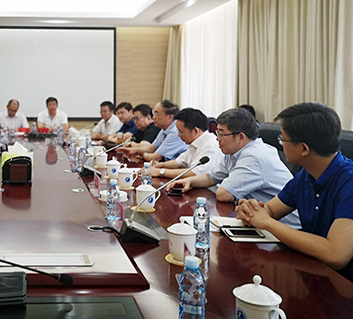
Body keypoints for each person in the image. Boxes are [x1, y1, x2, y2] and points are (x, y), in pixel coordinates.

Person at [236, 103, 353, 281]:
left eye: (283, 139)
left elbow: (336, 255)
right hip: (312, 272)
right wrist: (251, 210)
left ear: (304, 149)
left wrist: (266, 223)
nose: (281, 145)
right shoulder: (305, 176)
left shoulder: (349, 182)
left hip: (343, 284)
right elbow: (270, 210)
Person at [171, 108, 300, 226]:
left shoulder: (253, 156)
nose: (217, 139)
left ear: (240, 137)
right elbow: (211, 178)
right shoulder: (234, 151)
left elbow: (224, 194)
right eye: (217, 133)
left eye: (221, 134)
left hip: (283, 228)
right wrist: (189, 181)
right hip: (258, 221)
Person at [151, 108, 221, 178]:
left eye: (181, 131)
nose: (179, 135)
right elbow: (179, 162)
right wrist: (160, 165)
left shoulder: (210, 145)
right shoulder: (195, 143)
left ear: (195, 131)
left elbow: (195, 173)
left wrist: (160, 172)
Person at [119, 100, 186, 162]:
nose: (153, 117)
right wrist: (132, 151)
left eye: (156, 114)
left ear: (170, 117)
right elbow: (151, 148)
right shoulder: (165, 129)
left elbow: (154, 157)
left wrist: (142, 154)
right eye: (154, 113)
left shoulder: (175, 131)